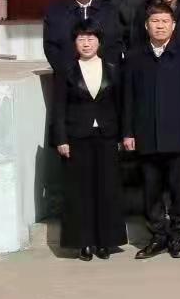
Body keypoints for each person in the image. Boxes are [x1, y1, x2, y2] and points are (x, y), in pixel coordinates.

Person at [121, 2, 180, 259]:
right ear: (146, 26)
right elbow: (128, 98)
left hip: (178, 134)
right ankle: (157, 236)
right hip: (146, 134)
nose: (160, 26)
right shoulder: (134, 56)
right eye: (155, 21)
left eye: (165, 21)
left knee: (179, 190)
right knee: (150, 190)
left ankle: (177, 238)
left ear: (173, 26)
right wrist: (128, 132)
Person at [52, 19, 127, 260]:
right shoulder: (66, 70)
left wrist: (124, 135)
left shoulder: (113, 69)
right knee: (79, 191)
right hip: (76, 136)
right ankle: (83, 242)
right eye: (81, 38)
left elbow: (121, 106)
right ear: (75, 42)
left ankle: (106, 241)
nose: (86, 43)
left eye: (91, 38)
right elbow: (58, 107)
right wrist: (61, 139)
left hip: (107, 135)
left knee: (107, 189)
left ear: (99, 41)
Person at [44, 0, 124, 70]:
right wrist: (66, 71)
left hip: (103, 72)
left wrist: (108, 70)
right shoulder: (56, 12)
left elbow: (115, 44)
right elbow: (51, 46)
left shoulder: (109, 11)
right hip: (67, 73)